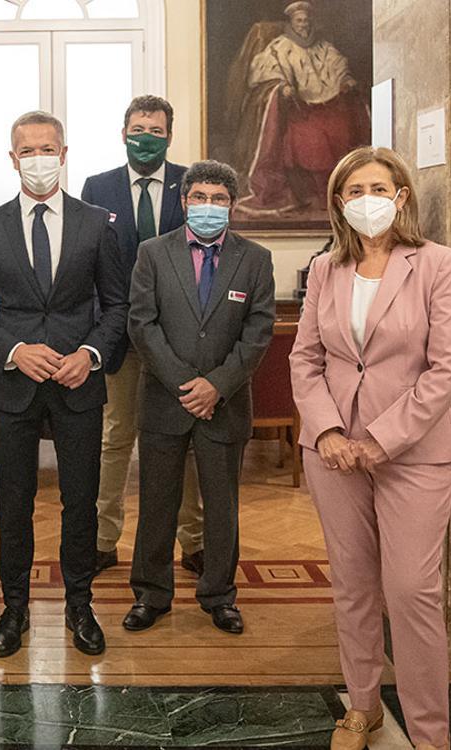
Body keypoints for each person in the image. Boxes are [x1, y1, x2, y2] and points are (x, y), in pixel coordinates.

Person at [290, 146, 451, 750]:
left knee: (413, 592)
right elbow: (306, 359)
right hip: (333, 454)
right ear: (339, 203)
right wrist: (329, 432)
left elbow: (447, 370)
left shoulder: (438, 264)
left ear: (402, 196)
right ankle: (361, 708)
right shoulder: (324, 269)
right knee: (353, 583)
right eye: (353, 190)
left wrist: (380, 441)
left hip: (413, 454)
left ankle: (429, 732)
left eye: (378, 187)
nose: (367, 199)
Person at [0, 110, 127, 658]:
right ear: (12, 159)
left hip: (79, 382)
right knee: (15, 500)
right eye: (27, 151)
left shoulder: (97, 222)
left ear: (64, 152)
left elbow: (118, 305)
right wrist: (12, 349)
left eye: (47, 148)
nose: (38, 159)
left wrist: (92, 353)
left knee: (81, 502)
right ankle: (15, 607)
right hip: (14, 385)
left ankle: (81, 605)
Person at [124, 160, 275, 635]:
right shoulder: (152, 253)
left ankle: (219, 595)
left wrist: (217, 385)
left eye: (219, 199)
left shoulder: (254, 259)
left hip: (224, 404)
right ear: (185, 201)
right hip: (166, 401)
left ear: (232, 205)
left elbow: (258, 331)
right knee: (156, 503)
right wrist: (185, 385)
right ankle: (151, 594)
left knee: (221, 506)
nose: (209, 207)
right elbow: (141, 324)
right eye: (200, 198)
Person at [80, 95, 207, 578]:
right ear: (123, 132)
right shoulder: (99, 186)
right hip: (120, 338)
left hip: (179, 340)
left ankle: (192, 541)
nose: (146, 137)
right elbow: (90, 262)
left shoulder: (191, 184)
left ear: (169, 135)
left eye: (155, 130)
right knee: (116, 439)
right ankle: (103, 540)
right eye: (138, 128)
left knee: (185, 442)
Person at [234, 0, 369, 217]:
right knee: (310, 138)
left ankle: (333, 190)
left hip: (326, 105)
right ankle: (311, 191)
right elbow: (266, 72)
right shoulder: (279, 47)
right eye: (299, 20)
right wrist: (282, 87)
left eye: (306, 20)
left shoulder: (324, 48)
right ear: (292, 22)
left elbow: (339, 66)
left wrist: (345, 80)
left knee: (341, 128)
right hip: (298, 109)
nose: (303, 24)